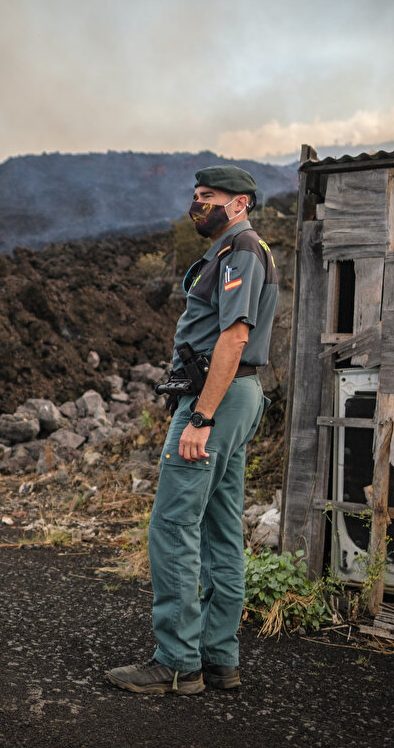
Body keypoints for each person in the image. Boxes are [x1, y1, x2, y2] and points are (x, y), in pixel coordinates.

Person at [107, 165, 278, 695]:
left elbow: (233, 338)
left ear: (241, 203)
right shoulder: (232, 252)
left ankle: (177, 662)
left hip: (218, 400)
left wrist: (200, 417)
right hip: (235, 396)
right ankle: (219, 658)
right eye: (197, 196)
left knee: (173, 525)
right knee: (221, 527)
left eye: (211, 197)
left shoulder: (241, 251)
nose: (199, 204)